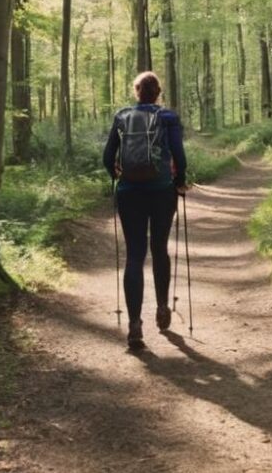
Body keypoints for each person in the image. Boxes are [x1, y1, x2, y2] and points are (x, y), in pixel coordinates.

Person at [102, 71, 188, 350]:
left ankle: (134, 326)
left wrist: (117, 173)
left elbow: (107, 157)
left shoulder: (122, 116)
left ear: (136, 92)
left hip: (129, 192)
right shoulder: (168, 118)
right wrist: (179, 181)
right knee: (160, 248)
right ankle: (163, 307)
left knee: (134, 256)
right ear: (158, 92)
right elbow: (179, 155)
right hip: (162, 191)